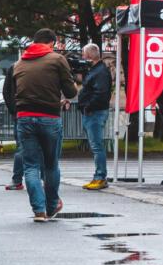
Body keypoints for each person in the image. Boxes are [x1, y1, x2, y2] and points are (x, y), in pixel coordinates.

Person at [11, 29, 77, 222]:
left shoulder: (18, 63)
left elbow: (16, 92)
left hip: (24, 118)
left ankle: (39, 210)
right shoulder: (57, 59)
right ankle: (51, 205)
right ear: (51, 43)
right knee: (50, 165)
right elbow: (70, 92)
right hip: (49, 117)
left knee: (30, 166)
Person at [77, 43, 113, 190]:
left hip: (95, 112)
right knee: (96, 146)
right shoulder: (96, 70)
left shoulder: (100, 72)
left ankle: (100, 177)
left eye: (83, 53)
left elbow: (101, 93)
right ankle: (99, 176)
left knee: (97, 146)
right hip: (93, 111)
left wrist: (88, 106)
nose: (82, 56)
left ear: (90, 55)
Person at [1, 64, 24, 190]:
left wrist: (14, 110)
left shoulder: (15, 67)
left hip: (20, 114)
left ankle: (17, 180)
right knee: (42, 148)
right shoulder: (45, 65)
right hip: (40, 113)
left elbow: (6, 91)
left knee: (21, 148)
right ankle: (45, 179)